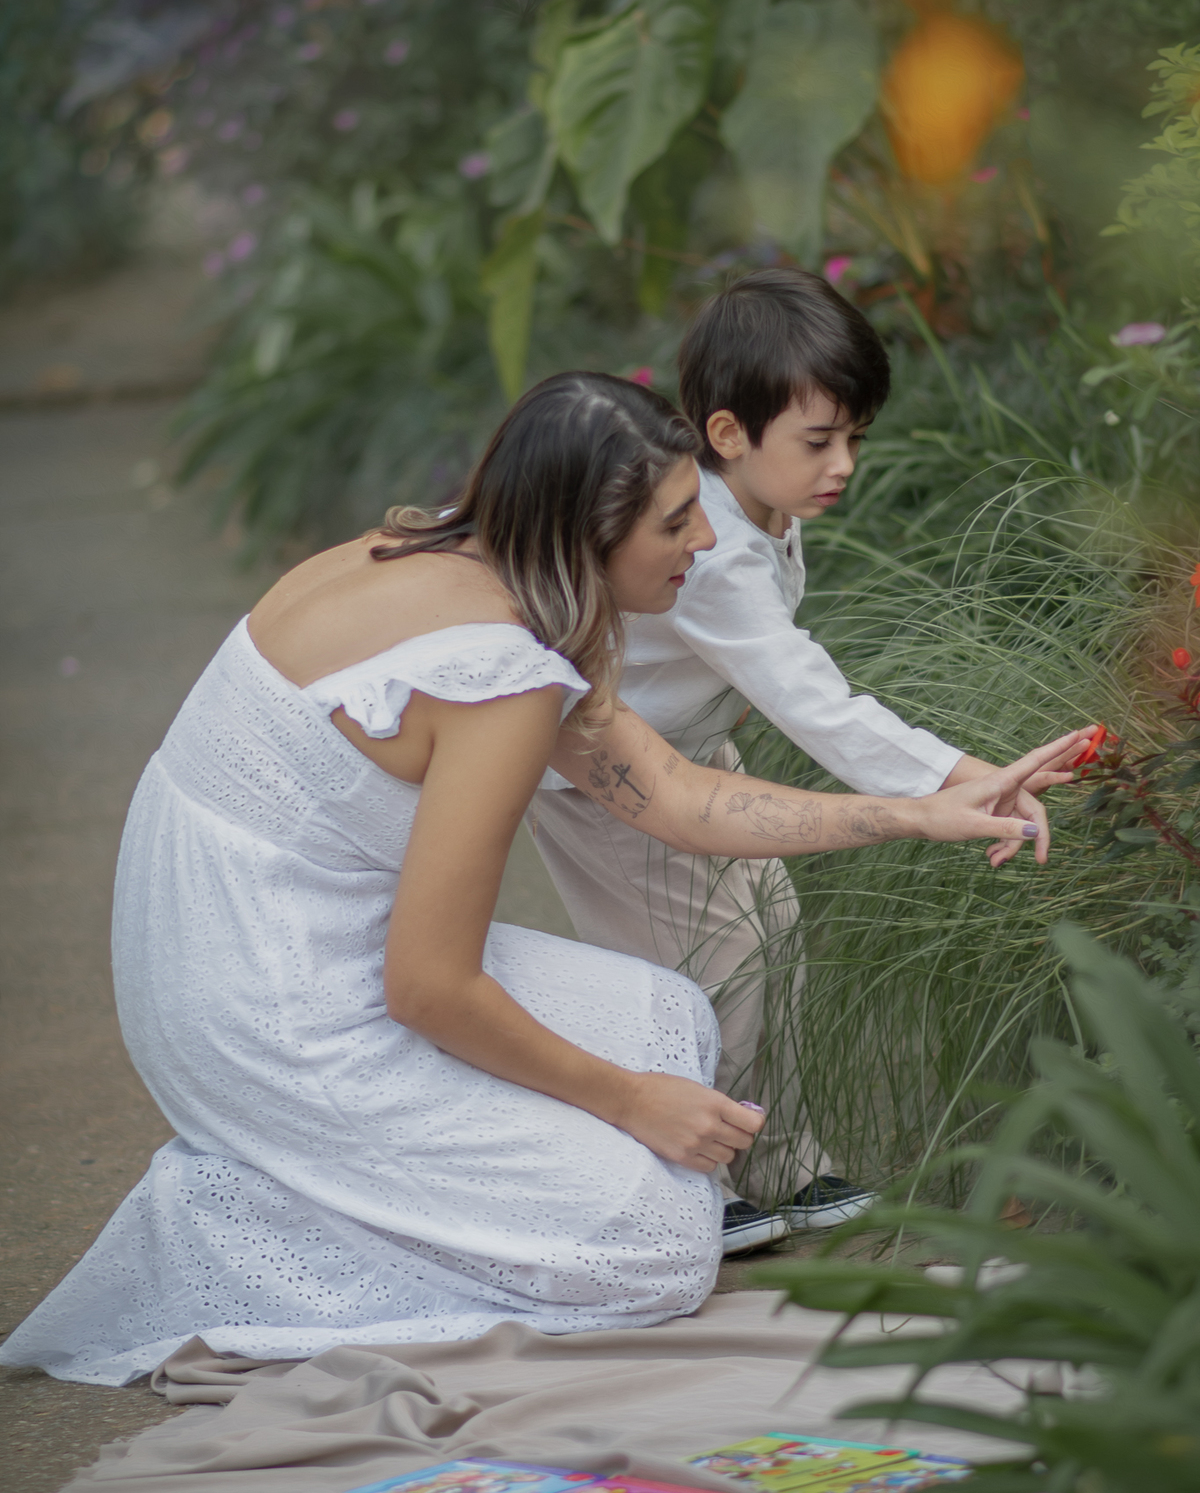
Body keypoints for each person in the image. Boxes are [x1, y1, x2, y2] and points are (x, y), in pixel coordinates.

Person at [0, 373, 1083, 1387]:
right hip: (260, 1010)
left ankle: (383, 1173)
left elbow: (673, 795)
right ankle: (247, 1208)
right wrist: (628, 1104)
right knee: (659, 1248)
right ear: (582, 534)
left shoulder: (427, 551)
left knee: (671, 1018)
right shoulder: (496, 679)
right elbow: (426, 987)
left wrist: (925, 812)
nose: (706, 538)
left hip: (224, 935)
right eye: (672, 523)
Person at [529, 270, 1040, 1253]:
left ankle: (781, 1164)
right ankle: (692, 1187)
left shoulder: (759, 508)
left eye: (855, 437)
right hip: (614, 784)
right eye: (820, 441)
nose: (843, 463)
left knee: (775, 939)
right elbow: (810, 697)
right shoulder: (713, 552)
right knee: (708, 972)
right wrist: (955, 775)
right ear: (728, 435)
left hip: (695, 755)